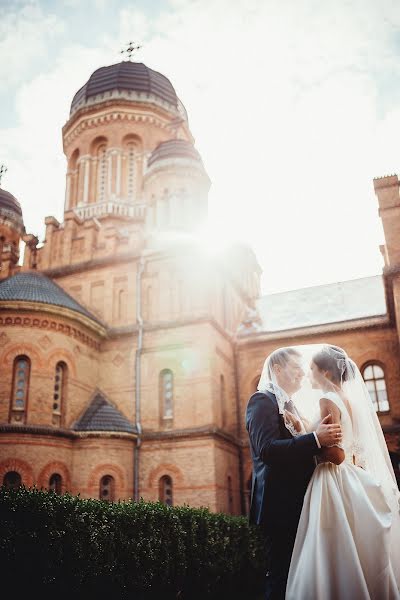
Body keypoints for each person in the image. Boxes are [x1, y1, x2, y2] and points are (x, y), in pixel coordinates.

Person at [286, 344, 400, 600]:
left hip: (331, 479)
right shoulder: (348, 400)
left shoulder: (326, 399)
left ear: (325, 373)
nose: (309, 373)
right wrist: (305, 429)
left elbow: (336, 454)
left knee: (330, 549)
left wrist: (304, 445)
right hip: (349, 477)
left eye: (312, 368)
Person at [245, 347, 342, 600]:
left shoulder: (292, 406)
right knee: (282, 575)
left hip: (300, 502)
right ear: (277, 370)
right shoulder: (262, 400)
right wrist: (315, 439)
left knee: (301, 576)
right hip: (279, 506)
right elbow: (267, 450)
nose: (302, 373)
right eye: (296, 368)